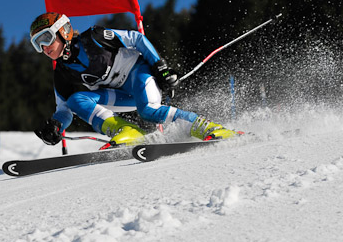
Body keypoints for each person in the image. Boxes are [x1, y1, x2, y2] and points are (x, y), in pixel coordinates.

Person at [30, 12, 241, 148]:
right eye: (37, 44)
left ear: (63, 31)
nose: (44, 48)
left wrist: (160, 67)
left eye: (46, 38)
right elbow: (65, 109)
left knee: (149, 110)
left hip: (139, 74)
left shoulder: (94, 37)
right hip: (120, 95)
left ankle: (208, 128)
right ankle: (127, 131)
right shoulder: (62, 73)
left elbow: (136, 38)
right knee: (76, 100)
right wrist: (57, 126)